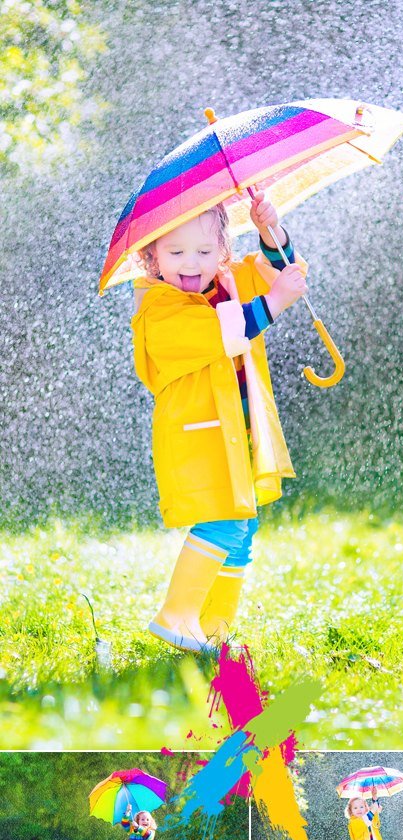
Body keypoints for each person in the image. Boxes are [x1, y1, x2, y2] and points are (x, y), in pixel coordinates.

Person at [131, 190, 307, 651]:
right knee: (224, 522)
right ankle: (177, 615)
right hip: (199, 437)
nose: (191, 263)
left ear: (223, 251)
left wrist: (272, 230)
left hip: (240, 430)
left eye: (205, 251)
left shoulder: (228, 280)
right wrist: (273, 304)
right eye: (175, 252)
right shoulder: (157, 306)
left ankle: (215, 630)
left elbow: (281, 272)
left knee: (243, 527)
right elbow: (225, 333)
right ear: (151, 256)